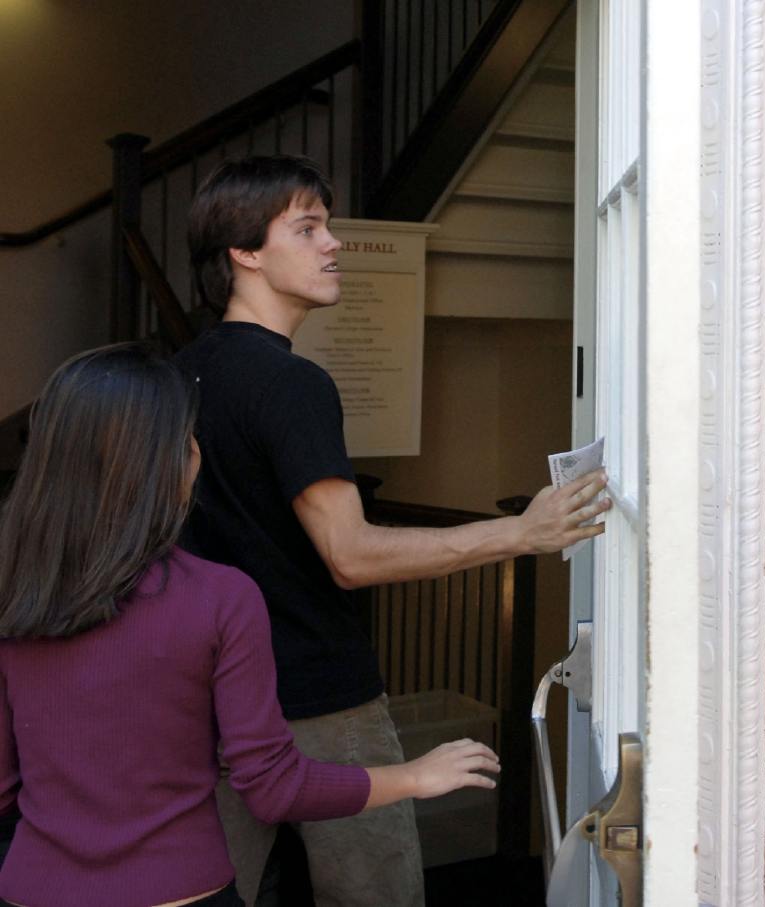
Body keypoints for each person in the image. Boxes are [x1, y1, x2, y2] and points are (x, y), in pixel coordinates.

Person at [176, 154, 608, 906]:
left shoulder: (180, 373)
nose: (333, 242)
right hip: (320, 697)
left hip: (209, 694)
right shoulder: (292, 383)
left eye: (327, 225)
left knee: (211, 894)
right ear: (244, 252)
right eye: (307, 227)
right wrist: (523, 532)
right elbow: (351, 553)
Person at [0, 343, 501, 907]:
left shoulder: (14, 595)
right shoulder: (219, 598)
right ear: (163, 461)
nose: (196, 451)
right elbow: (272, 786)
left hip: (31, 889)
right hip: (178, 891)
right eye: (187, 437)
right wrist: (413, 776)